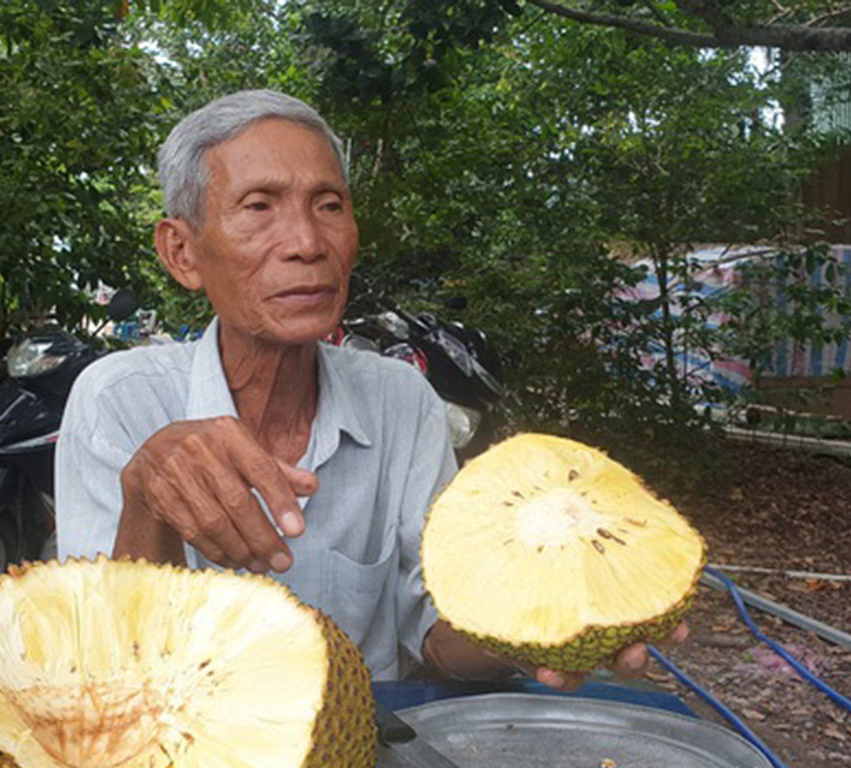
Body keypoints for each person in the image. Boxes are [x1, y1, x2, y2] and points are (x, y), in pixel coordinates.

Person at [55, 89, 684, 686]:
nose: (307, 243)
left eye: (329, 205)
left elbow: (435, 637)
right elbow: (103, 673)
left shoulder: (401, 400)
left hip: (369, 759)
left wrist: (542, 625)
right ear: (182, 252)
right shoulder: (118, 401)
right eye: (258, 207)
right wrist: (148, 500)